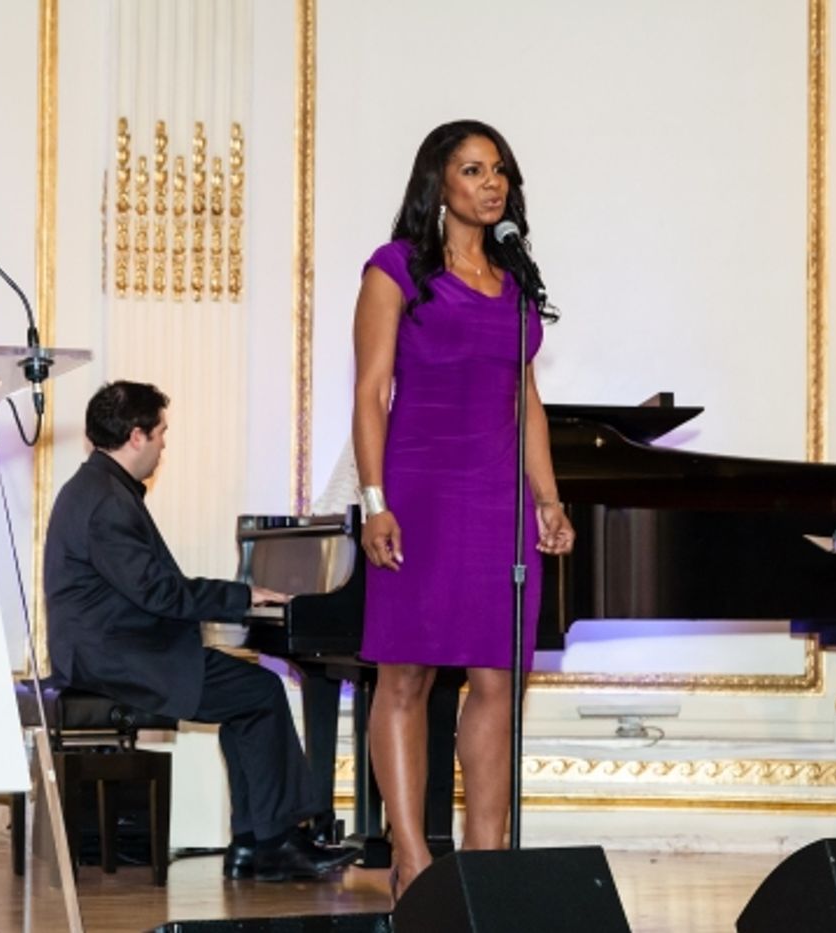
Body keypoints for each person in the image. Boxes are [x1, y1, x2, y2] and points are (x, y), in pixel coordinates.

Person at [351, 120, 576, 898]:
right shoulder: (397, 270)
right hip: (418, 491)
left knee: (496, 679)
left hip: (497, 500)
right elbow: (371, 391)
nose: (491, 182)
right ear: (437, 185)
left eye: (500, 170)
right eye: (473, 169)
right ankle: (411, 860)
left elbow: (528, 401)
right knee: (405, 676)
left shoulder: (515, 285)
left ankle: (487, 864)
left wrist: (547, 498)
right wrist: (373, 501)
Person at [43, 380, 355, 882]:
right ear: (137, 435)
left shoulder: (97, 489)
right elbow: (160, 594)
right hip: (121, 658)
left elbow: (153, 589)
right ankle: (272, 842)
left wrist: (236, 598)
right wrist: (244, 596)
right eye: (162, 432)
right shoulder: (106, 502)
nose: (165, 443)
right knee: (261, 690)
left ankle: (253, 845)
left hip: (113, 648)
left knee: (249, 697)